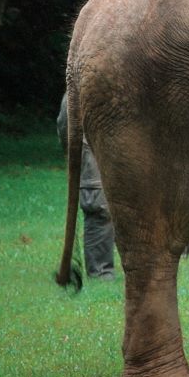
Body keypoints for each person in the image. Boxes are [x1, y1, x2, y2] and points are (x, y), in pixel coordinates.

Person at [57, 92, 116, 280]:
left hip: (122, 126)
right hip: (88, 128)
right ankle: (100, 271)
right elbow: (65, 122)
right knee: (98, 203)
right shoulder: (82, 78)